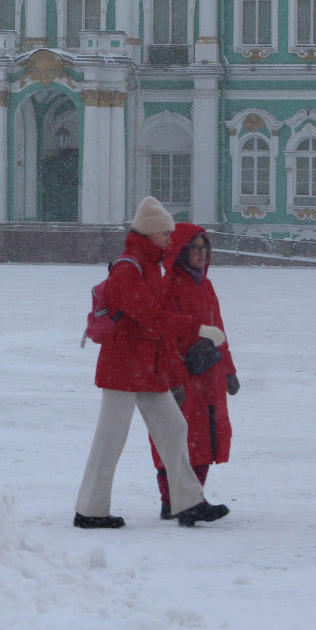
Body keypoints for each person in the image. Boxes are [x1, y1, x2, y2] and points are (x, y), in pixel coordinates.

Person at [74, 197, 230, 529]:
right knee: (110, 439)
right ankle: (89, 510)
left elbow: (155, 322)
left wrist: (170, 371)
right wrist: (197, 328)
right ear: (150, 234)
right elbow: (153, 316)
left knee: (175, 428)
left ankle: (187, 502)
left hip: (147, 368)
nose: (169, 240)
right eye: (164, 234)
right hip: (122, 368)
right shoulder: (127, 268)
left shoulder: (150, 267)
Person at [150, 224, 239, 519]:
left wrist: (228, 370)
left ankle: (188, 499)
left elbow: (219, 330)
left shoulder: (206, 286)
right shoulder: (169, 285)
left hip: (209, 375)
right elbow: (166, 334)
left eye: (205, 249)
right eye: (196, 248)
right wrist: (176, 376)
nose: (202, 254)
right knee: (175, 439)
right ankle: (175, 500)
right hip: (183, 376)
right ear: (183, 252)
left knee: (206, 439)